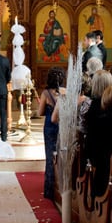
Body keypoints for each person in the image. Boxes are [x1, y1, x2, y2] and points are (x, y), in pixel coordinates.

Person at [37, 66, 66, 199]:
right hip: (62, 126)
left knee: (50, 157)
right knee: (62, 156)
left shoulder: (45, 93)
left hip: (49, 126)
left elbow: (40, 112)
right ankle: (62, 188)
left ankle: (49, 190)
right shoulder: (66, 92)